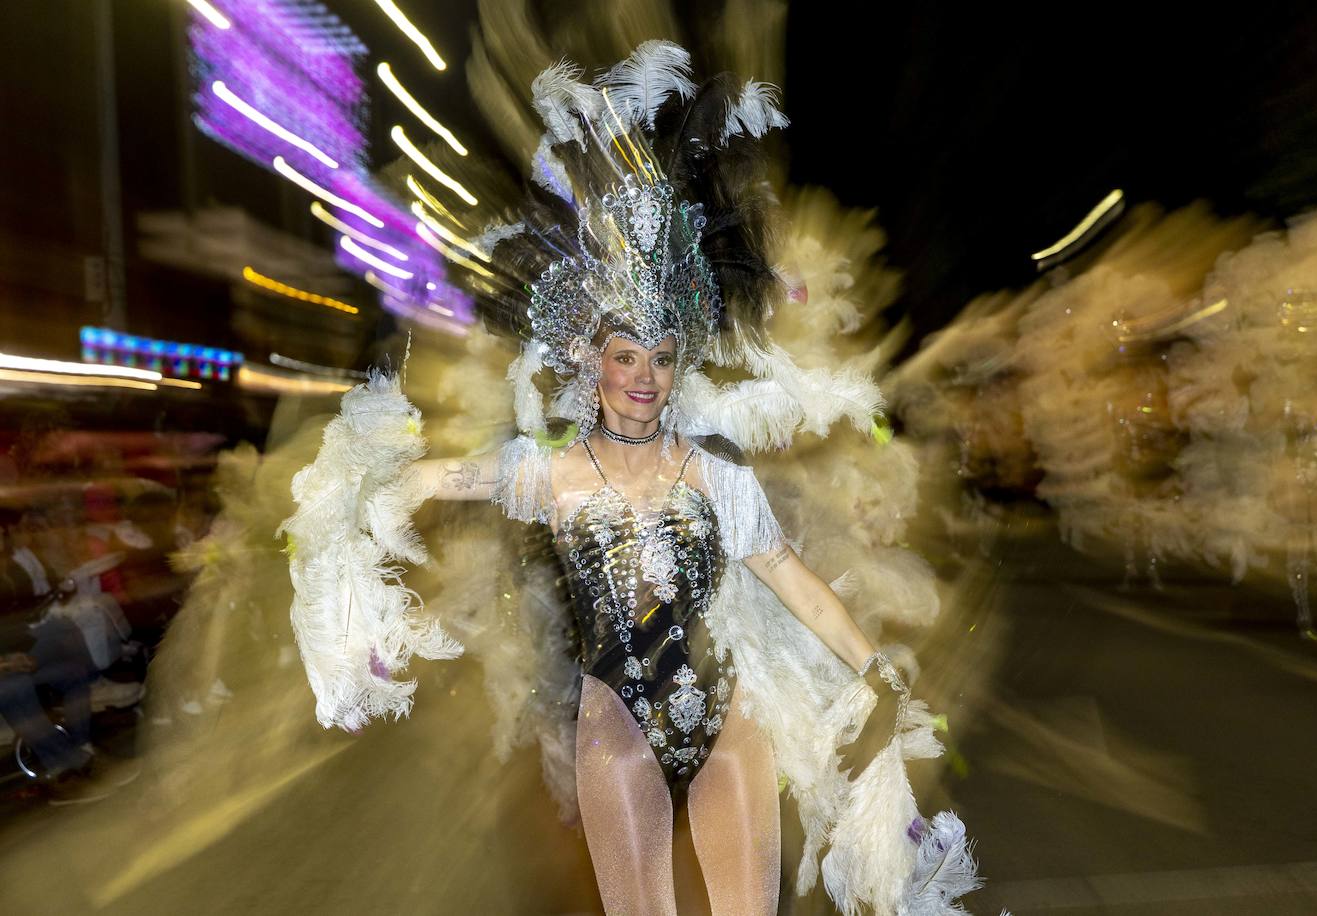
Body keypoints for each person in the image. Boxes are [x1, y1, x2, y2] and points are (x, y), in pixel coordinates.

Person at [284, 42, 982, 916]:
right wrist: (356, 489)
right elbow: (435, 479)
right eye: (626, 355)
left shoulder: (717, 475)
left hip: (729, 724)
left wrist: (876, 667)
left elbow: (793, 581)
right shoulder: (548, 475)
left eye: (660, 356)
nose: (644, 375)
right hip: (617, 730)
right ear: (594, 364)